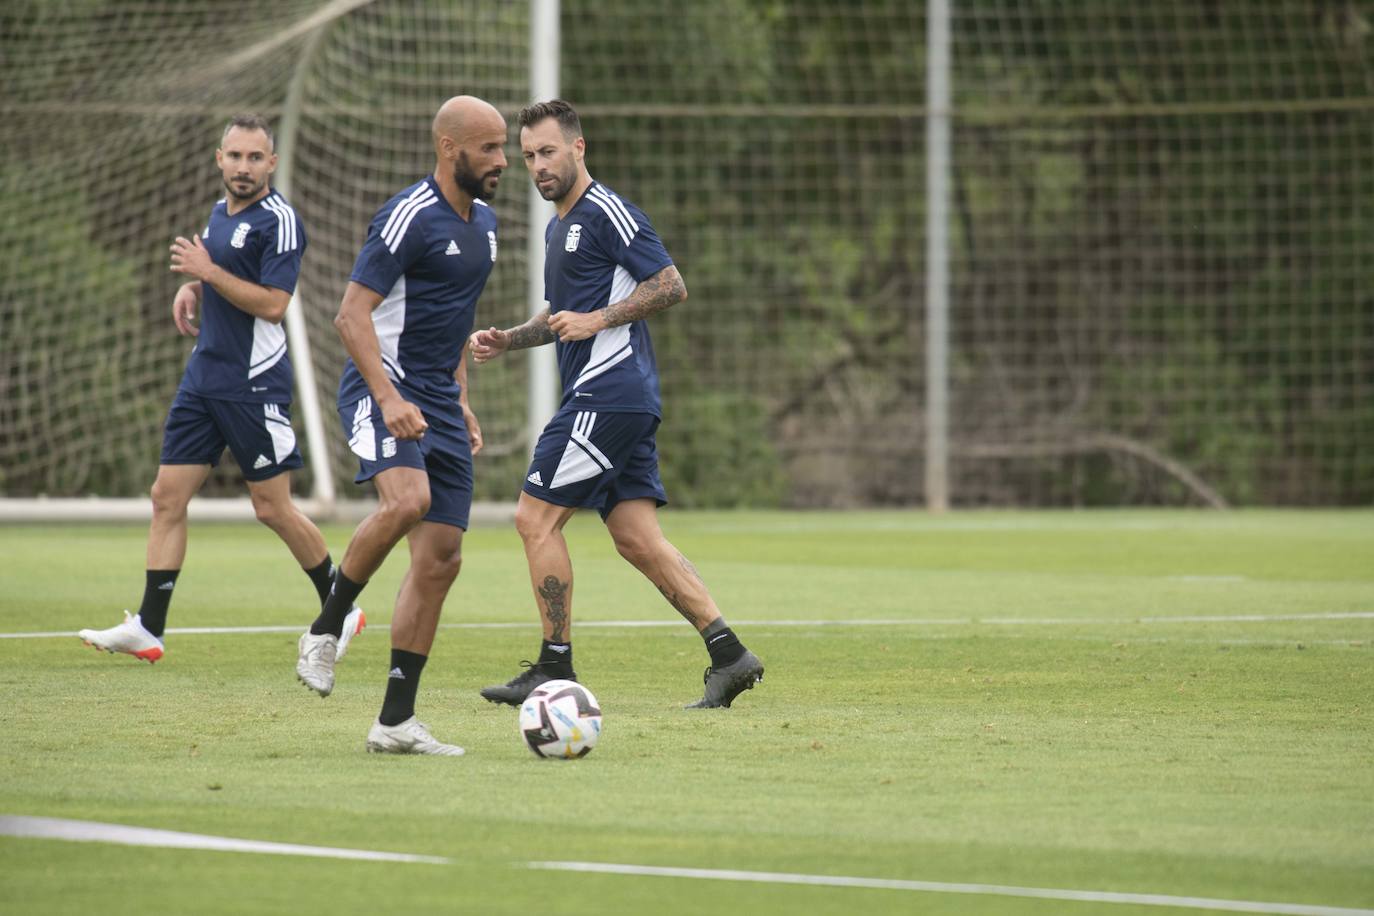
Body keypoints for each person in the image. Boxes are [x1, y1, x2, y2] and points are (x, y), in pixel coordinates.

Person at [471, 99, 765, 710]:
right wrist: (510, 338)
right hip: (615, 398)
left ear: (578, 148)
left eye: (547, 151)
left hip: (608, 392)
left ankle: (553, 667)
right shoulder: (558, 225)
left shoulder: (608, 211)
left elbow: (670, 284)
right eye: (527, 156)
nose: (537, 165)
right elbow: (559, 319)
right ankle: (730, 654)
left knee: (534, 519)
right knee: (636, 536)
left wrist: (599, 318)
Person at [78, 115, 362, 664]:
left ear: (271, 164)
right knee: (166, 497)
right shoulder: (218, 213)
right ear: (219, 158)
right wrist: (193, 284)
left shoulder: (280, 220)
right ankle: (150, 627)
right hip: (203, 379)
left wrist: (206, 273)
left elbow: (275, 304)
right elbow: (223, 270)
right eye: (235, 156)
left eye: (255, 158)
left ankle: (340, 606)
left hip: (251, 385)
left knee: (272, 508)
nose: (243, 167)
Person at [295, 95, 507, 756]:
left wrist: (461, 397)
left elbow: (452, 322)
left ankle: (393, 722)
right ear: (449, 148)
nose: (502, 161)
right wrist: (388, 398)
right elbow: (350, 316)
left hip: (438, 401)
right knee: (407, 500)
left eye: (504, 147)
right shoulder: (408, 216)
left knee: (442, 558)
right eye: (489, 148)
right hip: (379, 389)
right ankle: (327, 627)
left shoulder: (489, 226)